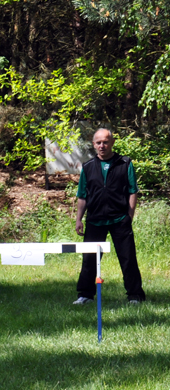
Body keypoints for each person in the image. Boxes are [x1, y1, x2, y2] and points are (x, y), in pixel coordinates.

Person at [73, 128, 146, 304]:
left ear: (112, 142)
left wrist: (129, 215)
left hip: (120, 219)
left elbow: (132, 191)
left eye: (105, 142)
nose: (102, 145)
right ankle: (85, 295)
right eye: (98, 142)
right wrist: (78, 219)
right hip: (95, 220)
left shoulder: (125, 163)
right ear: (94, 145)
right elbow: (82, 195)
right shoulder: (88, 167)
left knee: (128, 258)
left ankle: (135, 296)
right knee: (89, 259)